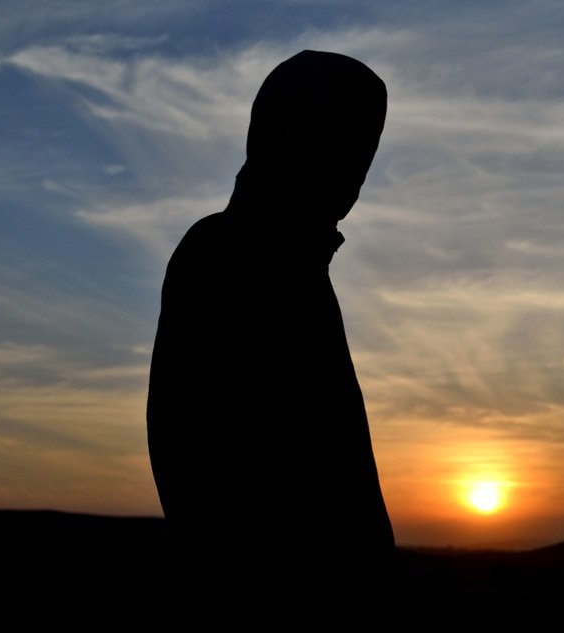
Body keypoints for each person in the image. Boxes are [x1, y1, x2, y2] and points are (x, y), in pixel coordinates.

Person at [147, 50, 393, 607]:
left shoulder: (297, 268)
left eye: (365, 149)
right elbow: (203, 466)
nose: (354, 171)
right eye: (340, 138)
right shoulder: (229, 257)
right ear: (282, 131)